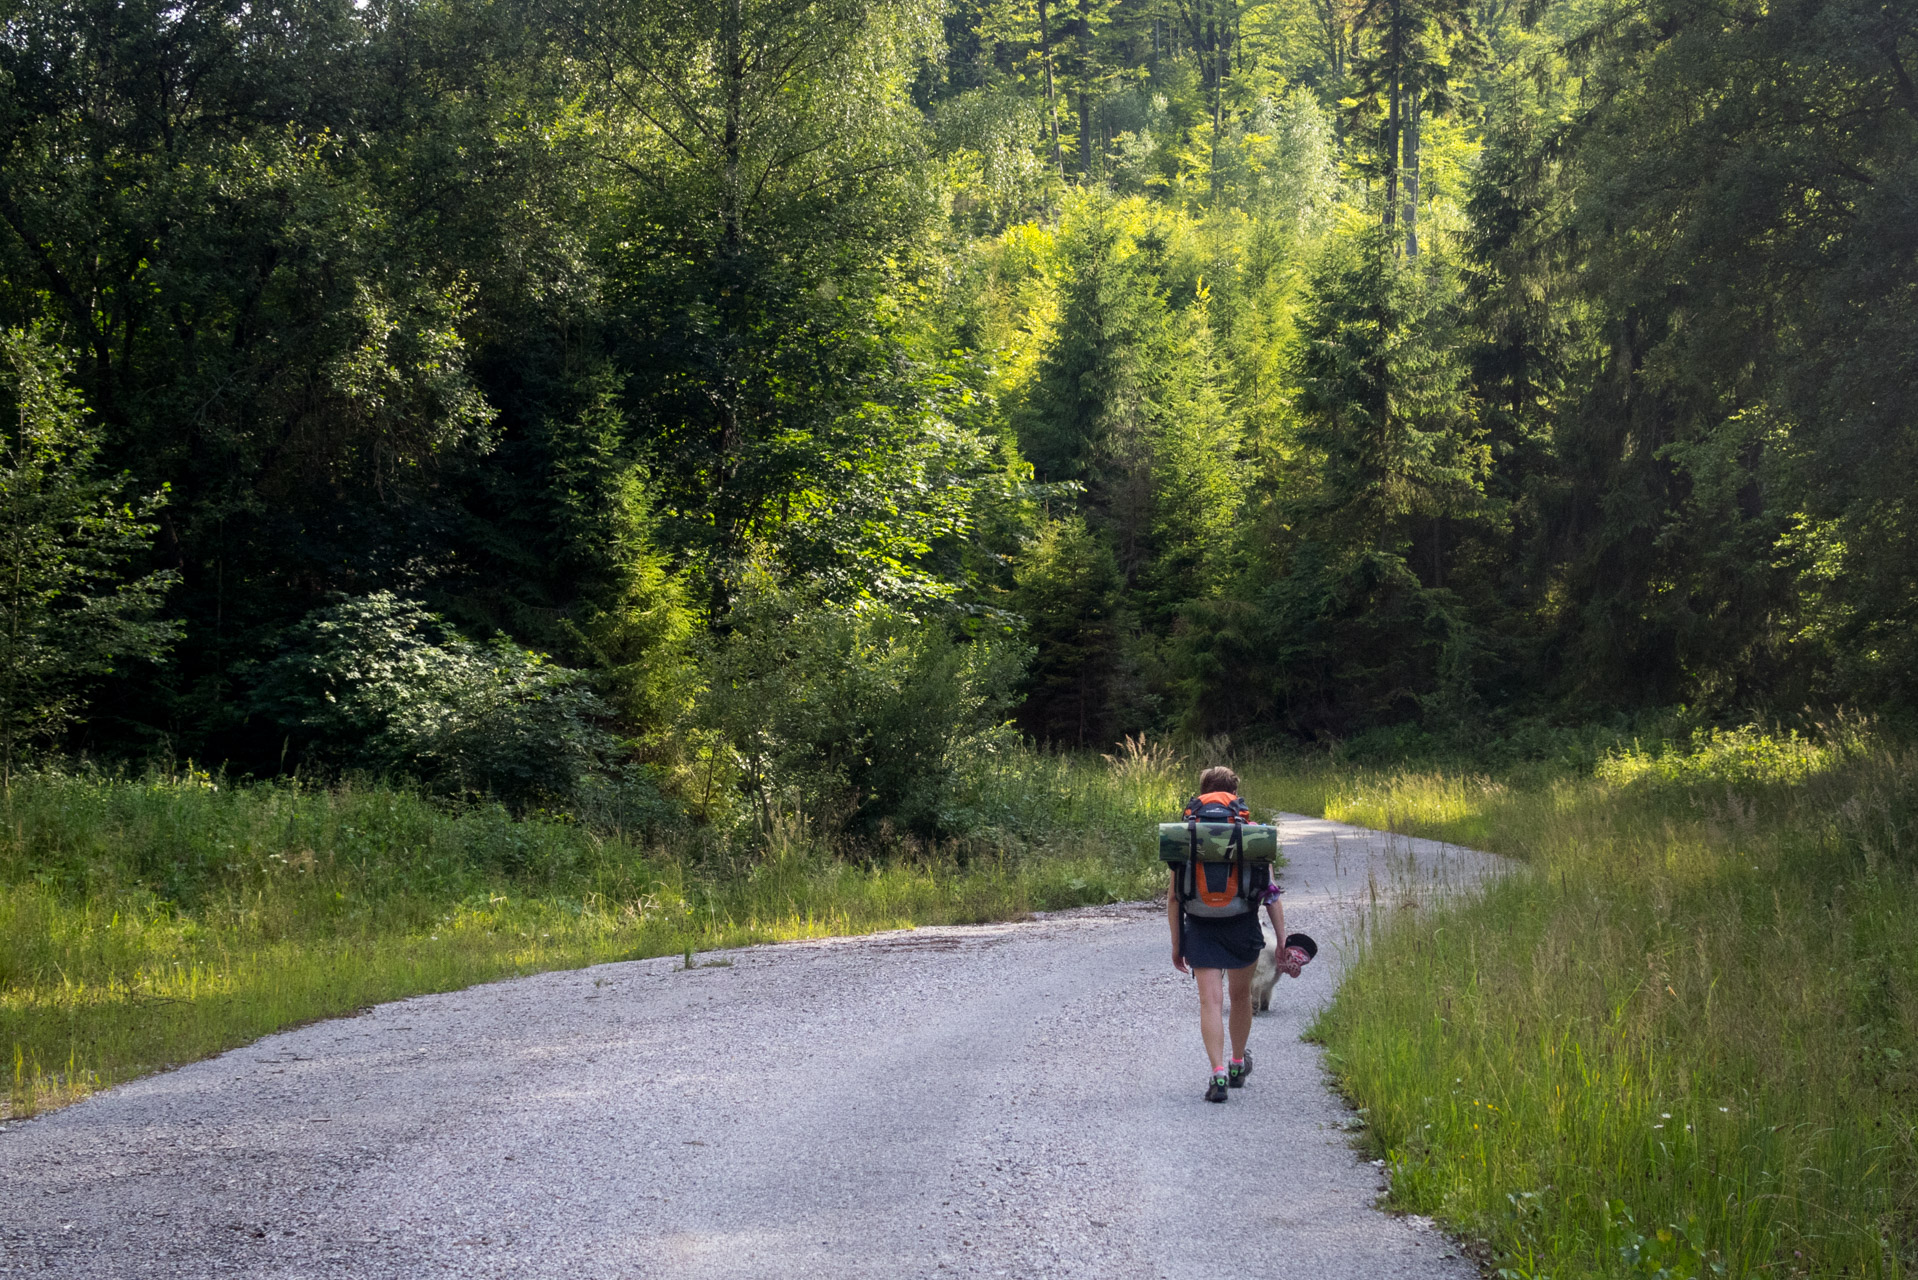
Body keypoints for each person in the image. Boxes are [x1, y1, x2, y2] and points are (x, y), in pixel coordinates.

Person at [1168, 765, 1295, 1103]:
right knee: (1240, 999)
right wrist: (1282, 938)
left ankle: (1217, 1074)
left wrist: (1177, 944)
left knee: (1210, 1001)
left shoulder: (1186, 833)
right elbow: (1270, 893)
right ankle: (1237, 1064)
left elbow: (1173, 897)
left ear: (1202, 792)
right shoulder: (1251, 832)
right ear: (1235, 794)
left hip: (1200, 925)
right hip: (1242, 924)